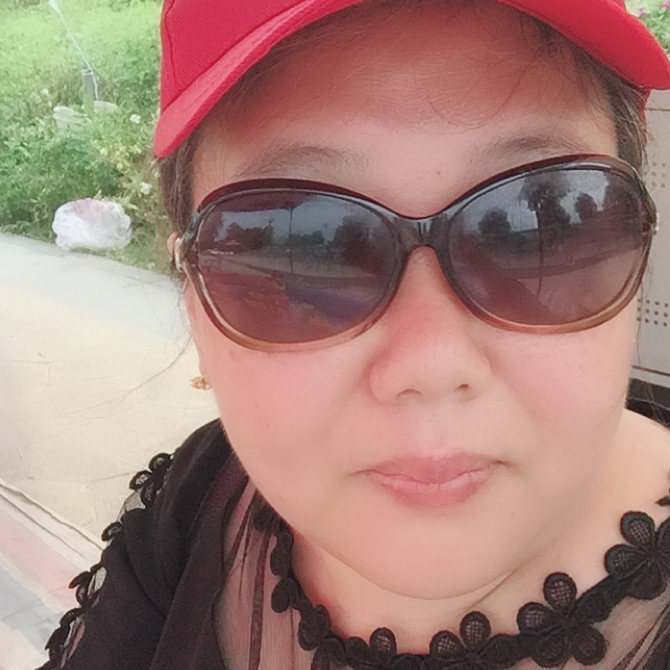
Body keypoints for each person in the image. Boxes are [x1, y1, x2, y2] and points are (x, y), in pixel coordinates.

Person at [39, 1, 670, 669]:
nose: (430, 362)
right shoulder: (192, 507)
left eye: (539, 229)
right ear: (195, 302)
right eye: (297, 252)